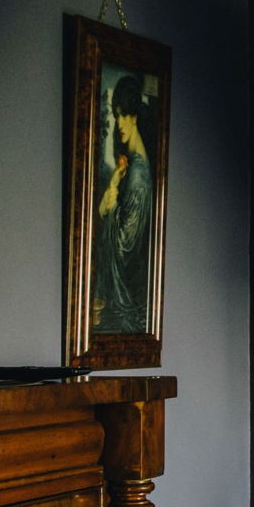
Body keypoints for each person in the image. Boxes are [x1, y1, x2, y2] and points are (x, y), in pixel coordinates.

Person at [94, 72, 154, 333]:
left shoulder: (138, 174)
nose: (120, 122)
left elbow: (124, 245)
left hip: (126, 293)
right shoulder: (128, 165)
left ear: (135, 117)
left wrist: (109, 206)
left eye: (125, 115)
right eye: (116, 115)